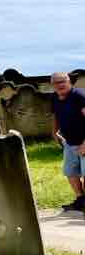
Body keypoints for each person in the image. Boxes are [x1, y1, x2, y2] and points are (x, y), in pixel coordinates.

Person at [51, 72, 85, 212]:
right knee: (71, 172)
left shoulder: (79, 96)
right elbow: (55, 115)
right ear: (52, 85)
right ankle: (80, 200)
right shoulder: (54, 97)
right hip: (69, 142)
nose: (60, 85)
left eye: (63, 81)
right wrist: (54, 132)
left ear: (69, 81)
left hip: (83, 141)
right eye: (57, 82)